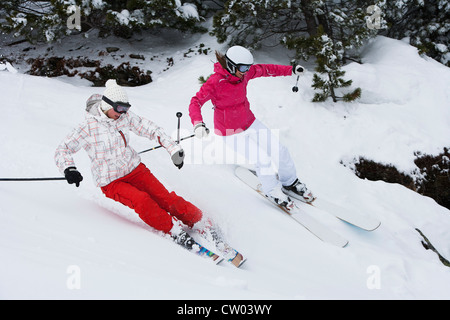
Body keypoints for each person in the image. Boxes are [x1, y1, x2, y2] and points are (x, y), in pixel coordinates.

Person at [55, 79, 244, 266]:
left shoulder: (123, 117)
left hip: (134, 169)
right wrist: (69, 168)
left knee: (165, 198)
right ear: (107, 105)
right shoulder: (87, 128)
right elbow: (62, 149)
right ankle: (172, 229)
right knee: (142, 201)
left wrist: (173, 150)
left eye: (126, 108)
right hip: (110, 181)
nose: (123, 113)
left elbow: (151, 129)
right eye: (120, 108)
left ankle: (199, 221)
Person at [189, 46, 314, 209]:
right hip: (230, 132)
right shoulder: (215, 82)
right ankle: (272, 190)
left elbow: (267, 69)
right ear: (232, 65)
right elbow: (195, 101)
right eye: (242, 68)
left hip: (249, 122)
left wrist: (291, 70)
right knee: (262, 159)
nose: (246, 71)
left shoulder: (244, 75)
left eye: (248, 67)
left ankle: (289, 182)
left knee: (280, 150)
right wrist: (198, 123)